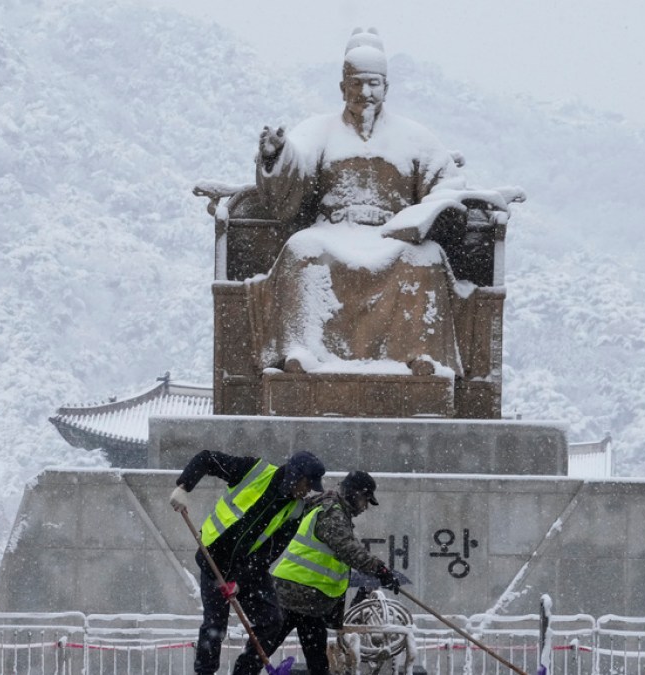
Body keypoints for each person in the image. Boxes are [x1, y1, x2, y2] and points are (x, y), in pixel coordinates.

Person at [247, 28, 515, 377]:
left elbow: (446, 183)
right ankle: (302, 351)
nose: (365, 92)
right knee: (301, 249)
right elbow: (294, 166)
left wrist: (431, 211)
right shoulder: (319, 130)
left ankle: (421, 357)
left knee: (426, 257)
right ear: (343, 87)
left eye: (373, 84)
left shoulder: (415, 137)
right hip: (333, 231)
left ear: (386, 87)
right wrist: (275, 155)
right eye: (356, 84)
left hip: (393, 235)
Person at [169, 449, 327, 675]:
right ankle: (205, 672)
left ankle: (245, 672)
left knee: (272, 621)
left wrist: (240, 581)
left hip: (249, 567)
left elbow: (270, 553)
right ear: (294, 475)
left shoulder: (296, 509)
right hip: (214, 559)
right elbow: (206, 458)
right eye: (307, 484)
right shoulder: (254, 470)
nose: (307, 491)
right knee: (215, 627)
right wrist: (184, 486)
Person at [230, 471, 400, 675]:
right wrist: (380, 570)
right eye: (365, 500)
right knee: (265, 650)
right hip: (294, 595)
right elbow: (347, 548)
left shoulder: (331, 510)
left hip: (307, 601)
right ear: (354, 494)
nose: (364, 507)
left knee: (310, 659)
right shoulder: (331, 513)